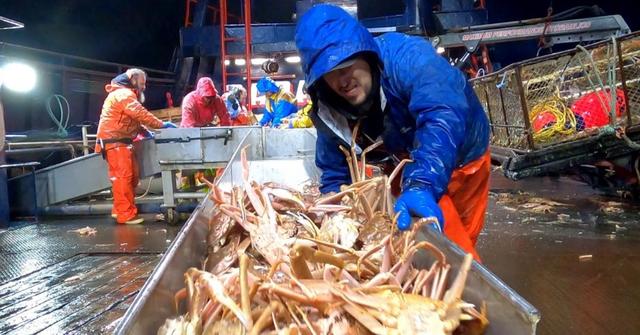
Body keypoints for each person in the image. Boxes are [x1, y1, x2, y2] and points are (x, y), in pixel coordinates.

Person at [295, 5, 490, 260]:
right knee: (421, 243)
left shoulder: (408, 59)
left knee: (457, 242)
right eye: (329, 74)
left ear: (365, 54)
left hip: (462, 153)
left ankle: (468, 287)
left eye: (346, 66)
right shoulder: (330, 106)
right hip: (402, 159)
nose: (342, 81)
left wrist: (422, 184)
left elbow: (442, 114)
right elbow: (335, 173)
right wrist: (334, 213)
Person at [95, 68, 177, 224]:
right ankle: (125, 214)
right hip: (115, 141)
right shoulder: (123, 94)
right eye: (142, 83)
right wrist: (161, 125)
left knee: (130, 177)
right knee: (123, 178)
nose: (144, 87)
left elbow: (132, 120)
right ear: (133, 79)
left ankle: (119, 210)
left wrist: (146, 132)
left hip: (121, 141)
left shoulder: (123, 94)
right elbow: (140, 114)